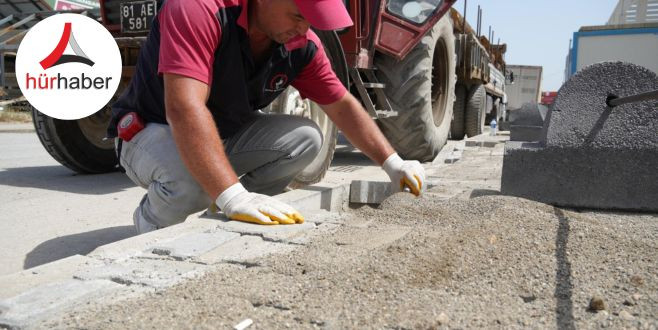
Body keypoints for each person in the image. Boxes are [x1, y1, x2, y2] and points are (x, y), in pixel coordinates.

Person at [106, 0, 426, 234]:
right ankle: (150, 222)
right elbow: (183, 109)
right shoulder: (199, 9)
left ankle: (233, 210)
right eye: (299, 15)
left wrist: (392, 162)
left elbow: (341, 105)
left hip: (220, 133)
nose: (304, 27)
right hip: (151, 130)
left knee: (306, 138)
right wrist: (232, 194)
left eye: (311, 21)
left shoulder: (302, 45)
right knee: (192, 183)